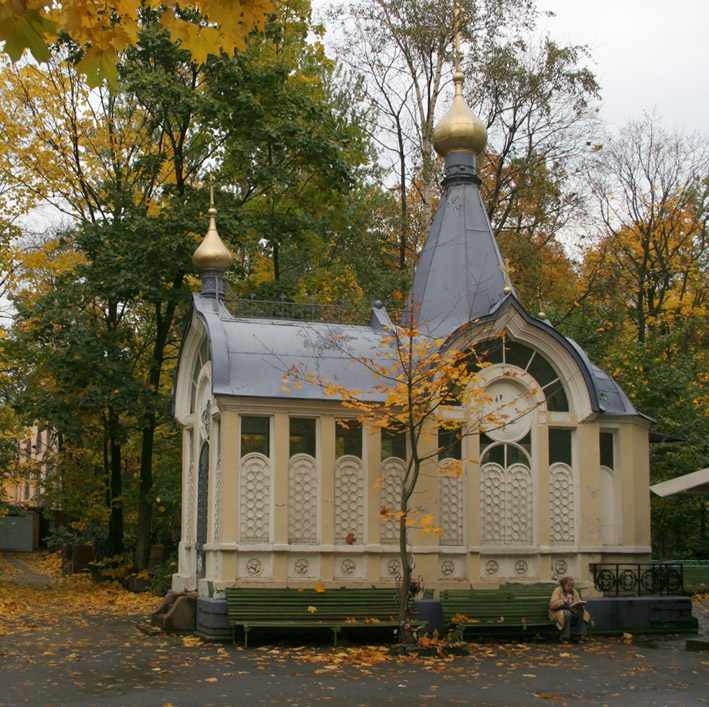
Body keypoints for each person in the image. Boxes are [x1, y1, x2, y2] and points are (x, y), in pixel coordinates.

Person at [549, 576, 591, 642]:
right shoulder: (558, 591)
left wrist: (579, 605)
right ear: (563, 585)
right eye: (568, 585)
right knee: (567, 614)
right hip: (558, 612)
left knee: (581, 612)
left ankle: (578, 636)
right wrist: (562, 602)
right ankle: (564, 637)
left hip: (572, 610)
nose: (570, 587)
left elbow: (577, 601)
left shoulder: (574, 591)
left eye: (572, 585)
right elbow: (552, 605)